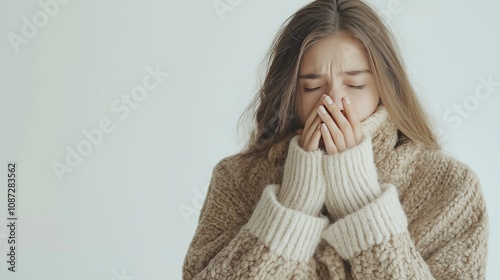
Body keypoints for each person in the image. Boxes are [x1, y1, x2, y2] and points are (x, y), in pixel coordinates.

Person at [182, 0, 489, 279]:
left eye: (354, 84)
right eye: (312, 88)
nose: (333, 102)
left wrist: (361, 202)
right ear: (289, 94)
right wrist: (293, 207)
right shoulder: (235, 180)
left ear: (385, 86)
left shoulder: (450, 186)